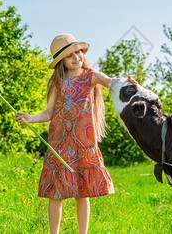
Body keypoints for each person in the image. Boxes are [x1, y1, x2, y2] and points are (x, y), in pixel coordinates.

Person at [16, 33, 114, 234]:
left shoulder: (91, 76)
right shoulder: (57, 81)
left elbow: (111, 82)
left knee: (82, 193)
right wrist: (31, 118)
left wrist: (129, 86)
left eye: (78, 52)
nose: (76, 57)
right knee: (56, 193)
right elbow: (49, 112)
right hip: (60, 144)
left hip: (84, 144)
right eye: (70, 55)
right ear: (61, 61)